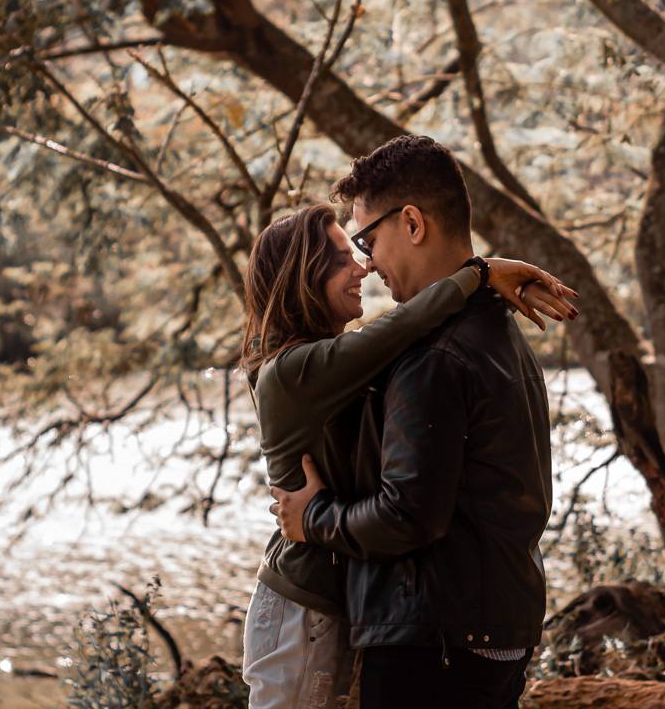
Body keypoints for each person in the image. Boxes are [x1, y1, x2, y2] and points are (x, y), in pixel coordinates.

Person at [241, 200, 574, 709]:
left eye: (363, 247)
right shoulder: (290, 371)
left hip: (336, 602)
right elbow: (403, 326)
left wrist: (481, 282)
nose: (363, 265)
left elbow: (406, 331)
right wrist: (479, 273)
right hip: (301, 606)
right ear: (301, 277)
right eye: (341, 257)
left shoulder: (342, 362)